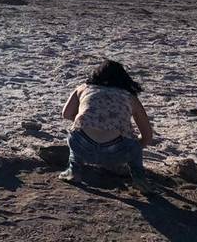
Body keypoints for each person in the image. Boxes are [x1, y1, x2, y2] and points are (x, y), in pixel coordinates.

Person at [59, 59, 155, 193]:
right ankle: (139, 178)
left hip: (84, 148)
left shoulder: (83, 88)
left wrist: (87, 118)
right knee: (135, 146)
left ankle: (74, 170)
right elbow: (147, 136)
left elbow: (66, 114)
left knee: (75, 133)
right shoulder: (130, 97)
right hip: (116, 153)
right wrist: (134, 146)